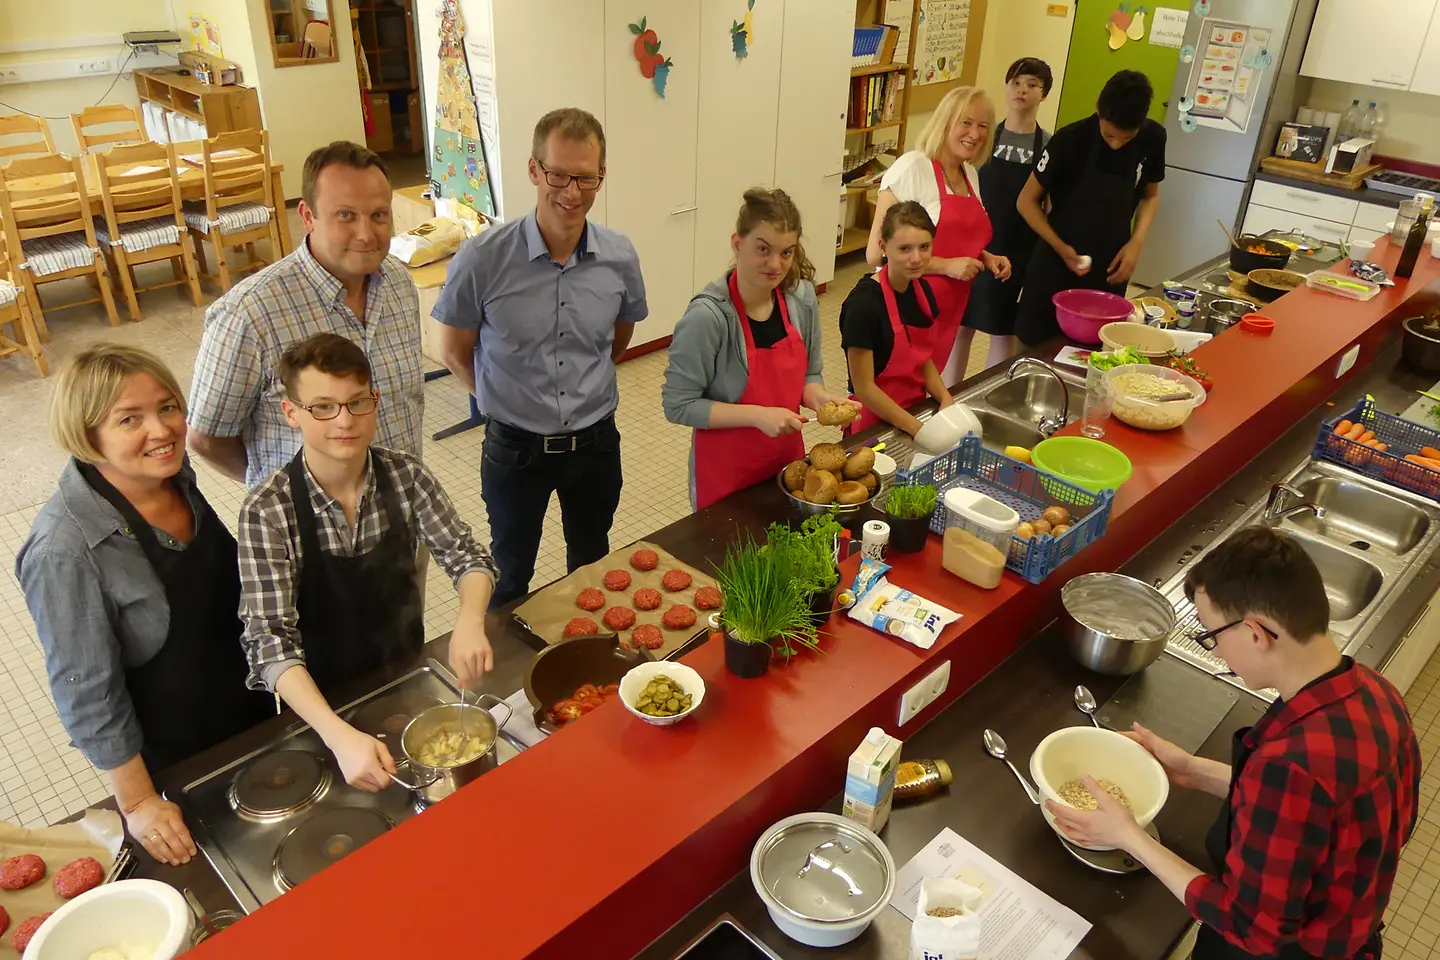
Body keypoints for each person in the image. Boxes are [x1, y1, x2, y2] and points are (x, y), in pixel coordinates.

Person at [1048, 527, 1419, 960]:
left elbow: (1254, 929)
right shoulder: (1375, 691)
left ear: (1257, 633)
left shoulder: (1290, 768)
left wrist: (1130, 837)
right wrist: (1192, 770)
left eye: (1213, 636)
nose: (1218, 653)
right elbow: (1322, 814)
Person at [16, 346, 274, 867]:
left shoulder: (173, 478)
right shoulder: (65, 550)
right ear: (87, 435)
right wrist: (137, 803)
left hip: (247, 709)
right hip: (174, 755)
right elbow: (86, 692)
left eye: (167, 407)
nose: (162, 430)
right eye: (129, 418)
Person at [237, 334, 499, 791]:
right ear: (291, 412)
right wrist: (338, 735)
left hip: (406, 674)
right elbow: (268, 642)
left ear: (374, 401)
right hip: (318, 706)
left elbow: (467, 556)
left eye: (357, 402)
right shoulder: (268, 511)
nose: (345, 421)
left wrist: (471, 620)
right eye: (323, 407)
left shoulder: (405, 475)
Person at [435, 108, 647, 609]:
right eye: (557, 175)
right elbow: (452, 350)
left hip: (595, 444)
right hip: (514, 449)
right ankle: (510, 686)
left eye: (585, 178)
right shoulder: (483, 258)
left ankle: (590, 673)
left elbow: (618, 339)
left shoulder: (619, 256)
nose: (571, 192)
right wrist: (503, 399)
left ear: (601, 176)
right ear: (534, 170)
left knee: (594, 566)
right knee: (509, 575)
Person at [187, 141, 423, 489]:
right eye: (345, 215)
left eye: (378, 215)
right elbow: (207, 437)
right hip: (309, 532)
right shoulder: (249, 313)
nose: (366, 233)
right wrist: (290, 497)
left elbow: (407, 403)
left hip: (404, 515)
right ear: (307, 217)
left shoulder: (399, 284)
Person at [662, 188, 854, 510]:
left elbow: (810, 373)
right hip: (727, 476)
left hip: (788, 468)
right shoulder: (707, 319)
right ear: (738, 244)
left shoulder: (801, 300)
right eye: (763, 249)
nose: (775, 264)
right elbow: (678, 405)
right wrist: (756, 416)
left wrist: (817, 396)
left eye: (786, 252)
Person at [866, 86, 1010, 386]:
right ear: (945, 122)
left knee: (923, 395)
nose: (975, 133)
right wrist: (946, 266)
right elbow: (876, 254)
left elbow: (958, 239)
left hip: (946, 312)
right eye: (965, 122)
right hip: (905, 309)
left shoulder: (969, 174)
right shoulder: (912, 167)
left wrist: (986, 256)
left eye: (983, 126)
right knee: (891, 394)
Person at [1015, 69, 1165, 346]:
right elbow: (1025, 201)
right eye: (1109, 136)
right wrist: (1062, 249)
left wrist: (1137, 241)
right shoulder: (1069, 140)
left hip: (1111, 267)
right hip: (1055, 263)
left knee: (1097, 351)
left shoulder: (1153, 138)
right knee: (1035, 349)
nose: (1117, 144)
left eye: (1126, 138)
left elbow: (1150, 196)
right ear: (1097, 109)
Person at [963, 57, 1052, 362]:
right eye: (1015, 82)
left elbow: (1049, 208)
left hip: (1018, 255)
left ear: (1044, 93)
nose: (1022, 90)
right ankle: (946, 405)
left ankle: (993, 400)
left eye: (1032, 84)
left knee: (1003, 334)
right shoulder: (984, 137)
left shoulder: (1049, 145)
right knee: (959, 330)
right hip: (975, 245)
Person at [842, 202, 955, 437]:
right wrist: (917, 430)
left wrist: (945, 398)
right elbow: (864, 388)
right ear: (883, 246)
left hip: (915, 410)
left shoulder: (921, 291)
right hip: (873, 421)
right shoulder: (863, 306)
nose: (916, 258)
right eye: (905, 249)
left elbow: (922, 360)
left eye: (924, 247)